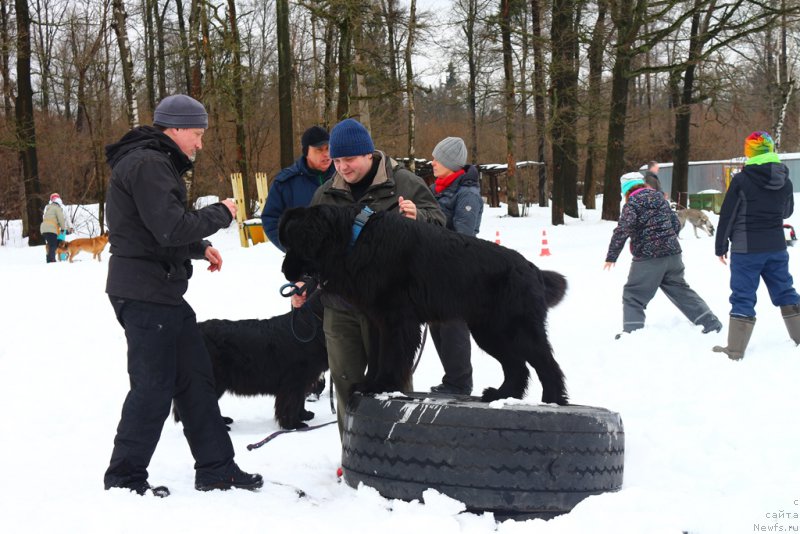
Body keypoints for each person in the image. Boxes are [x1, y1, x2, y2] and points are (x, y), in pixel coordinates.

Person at [103, 94, 262, 497]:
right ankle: (124, 478)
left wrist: (198, 247)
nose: (200, 143)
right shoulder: (149, 164)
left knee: (195, 381)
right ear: (174, 130)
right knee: (153, 388)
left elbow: (152, 229)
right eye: (197, 133)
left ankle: (216, 469)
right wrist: (222, 213)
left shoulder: (152, 161)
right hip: (145, 293)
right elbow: (169, 228)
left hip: (161, 292)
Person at [291, 118, 445, 437]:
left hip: (391, 309)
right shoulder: (327, 192)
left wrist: (420, 218)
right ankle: (353, 451)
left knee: (394, 382)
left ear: (367, 155)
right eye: (336, 160)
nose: (342, 167)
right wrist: (303, 280)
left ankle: (399, 452)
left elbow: (442, 229)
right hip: (340, 305)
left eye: (348, 160)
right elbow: (311, 245)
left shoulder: (404, 183)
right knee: (346, 381)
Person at [713, 131, 800, 360]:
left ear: (749, 151)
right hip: (776, 247)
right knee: (785, 290)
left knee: (743, 295)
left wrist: (720, 246)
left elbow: (728, 215)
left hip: (746, 249)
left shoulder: (742, 179)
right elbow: (787, 211)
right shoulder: (785, 179)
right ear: (771, 150)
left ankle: (734, 351)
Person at [604, 172, 722, 337]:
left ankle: (632, 333)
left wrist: (611, 256)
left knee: (634, 294)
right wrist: (667, 239)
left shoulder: (632, 204)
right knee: (680, 290)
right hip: (673, 254)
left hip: (649, 257)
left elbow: (623, 230)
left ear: (626, 189)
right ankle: (711, 323)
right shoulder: (660, 198)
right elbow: (675, 223)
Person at [427, 136, 483, 395]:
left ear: (451, 162)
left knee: (452, 326)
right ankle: (452, 379)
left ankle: (460, 383)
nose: (432, 162)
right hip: (434, 270)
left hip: (455, 272)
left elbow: (464, 238)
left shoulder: (467, 193)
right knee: (437, 325)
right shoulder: (437, 188)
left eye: (437, 158)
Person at [261, 125, 335, 251]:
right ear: (306, 152)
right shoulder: (286, 182)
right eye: (319, 150)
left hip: (342, 261)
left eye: (328, 148)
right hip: (306, 262)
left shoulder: (344, 175)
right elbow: (270, 218)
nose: (326, 154)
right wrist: (292, 249)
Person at [40, 193, 67, 263]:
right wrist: (63, 229)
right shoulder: (58, 208)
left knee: (52, 243)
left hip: (43, 228)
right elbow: (61, 219)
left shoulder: (48, 208)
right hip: (51, 229)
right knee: (53, 245)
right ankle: (51, 260)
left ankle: (50, 258)